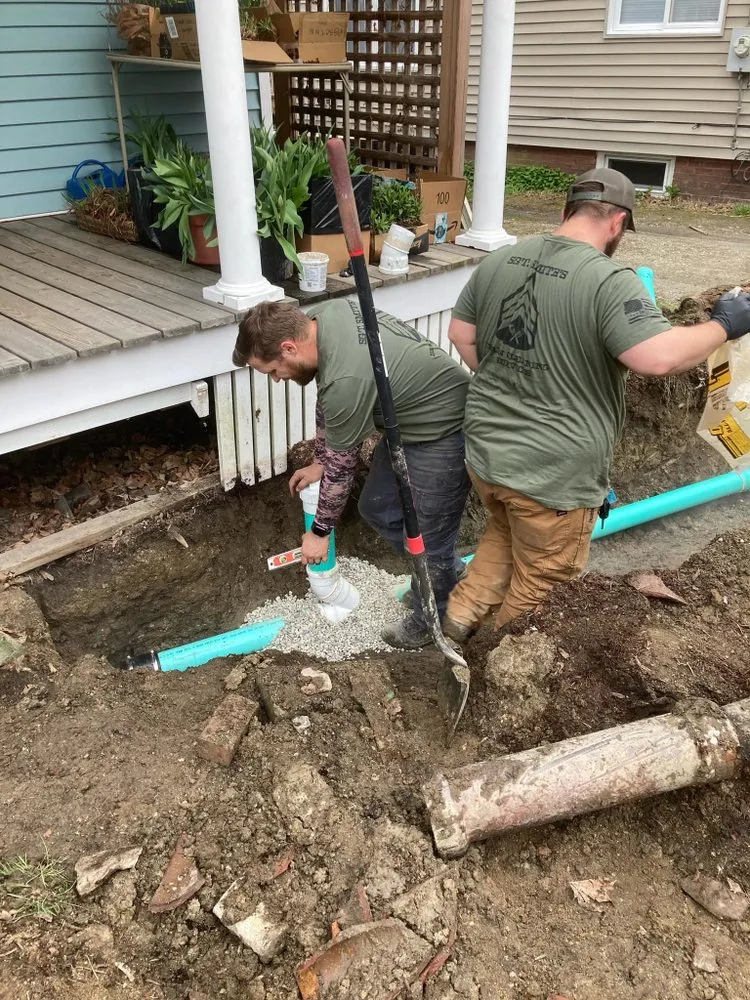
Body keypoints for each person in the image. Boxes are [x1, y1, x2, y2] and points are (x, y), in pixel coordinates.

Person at [443, 166, 750, 644]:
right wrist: (724, 326)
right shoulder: (608, 281)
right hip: (552, 473)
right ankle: (502, 666)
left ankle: (458, 620)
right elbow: (657, 357)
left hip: (488, 454)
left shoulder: (502, 260)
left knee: (503, 536)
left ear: (566, 211)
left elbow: (461, 335)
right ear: (617, 223)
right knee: (541, 582)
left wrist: (513, 383)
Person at [232, 298, 472, 648]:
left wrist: (319, 533)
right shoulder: (324, 319)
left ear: (288, 347)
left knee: (429, 535)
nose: (276, 380)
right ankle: (445, 572)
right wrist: (319, 460)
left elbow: (342, 470)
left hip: (445, 428)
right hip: (406, 423)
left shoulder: (347, 376)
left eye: (272, 371)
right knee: (377, 506)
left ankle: (435, 613)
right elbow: (327, 398)